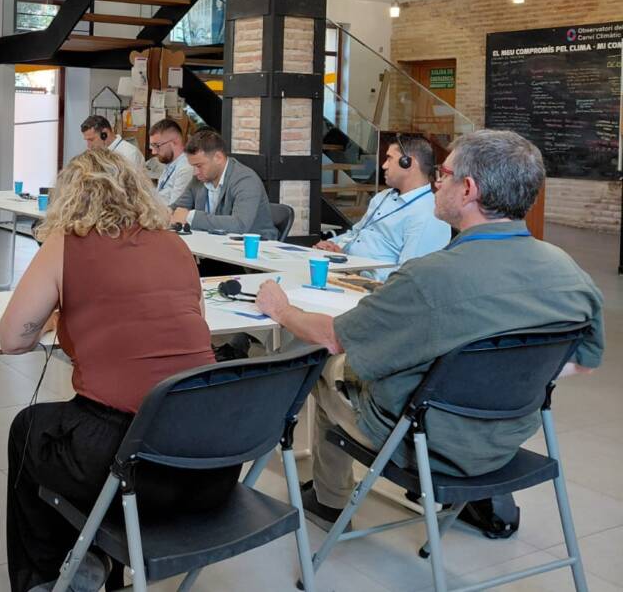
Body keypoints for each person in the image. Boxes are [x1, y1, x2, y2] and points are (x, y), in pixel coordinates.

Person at [254, 129, 604, 528]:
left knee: (323, 367)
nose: (437, 180)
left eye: (446, 173)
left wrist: (282, 310)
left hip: (424, 440)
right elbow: (583, 364)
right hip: (506, 441)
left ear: (468, 188)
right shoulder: (571, 274)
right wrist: (496, 383)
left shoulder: (428, 278)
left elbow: (335, 337)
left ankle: (330, 501)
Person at [0, 148, 236, 592]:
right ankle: (95, 559)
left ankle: (50, 576)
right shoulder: (176, 246)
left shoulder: (67, 244)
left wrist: (62, 312)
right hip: (211, 460)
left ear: (69, 198)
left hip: (132, 466)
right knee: (84, 429)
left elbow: (13, 338)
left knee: (31, 428)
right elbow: (193, 326)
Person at [315, 133, 451, 280]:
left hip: (370, 286)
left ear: (407, 163)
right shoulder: (384, 196)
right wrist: (333, 245)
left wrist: (356, 270)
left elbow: (409, 276)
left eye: (389, 158)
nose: (384, 165)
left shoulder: (429, 214)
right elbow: (356, 234)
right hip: (346, 271)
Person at [171, 129, 277, 239]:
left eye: (199, 166)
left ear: (218, 158)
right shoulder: (199, 179)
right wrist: (159, 214)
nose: (195, 172)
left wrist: (190, 216)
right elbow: (176, 209)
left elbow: (240, 225)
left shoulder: (246, 180)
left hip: (254, 248)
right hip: (213, 245)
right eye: (192, 166)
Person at [148, 118, 194, 207]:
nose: (153, 152)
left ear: (174, 142)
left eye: (157, 146)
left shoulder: (185, 168)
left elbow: (174, 209)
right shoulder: (170, 163)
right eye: (152, 146)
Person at [79, 114, 145, 173]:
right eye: (87, 140)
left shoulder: (129, 153)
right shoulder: (99, 152)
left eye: (91, 139)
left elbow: (131, 184)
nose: (89, 146)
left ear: (104, 134)